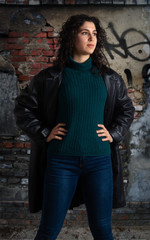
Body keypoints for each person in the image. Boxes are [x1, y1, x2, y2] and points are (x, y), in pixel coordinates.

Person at [14, 14, 135, 240]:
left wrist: (115, 133)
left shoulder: (109, 78)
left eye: (95, 34)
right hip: (61, 162)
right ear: (72, 36)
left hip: (99, 163)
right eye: (85, 33)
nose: (92, 38)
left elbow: (127, 109)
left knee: (102, 229)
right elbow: (23, 108)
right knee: (49, 230)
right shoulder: (50, 77)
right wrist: (44, 132)